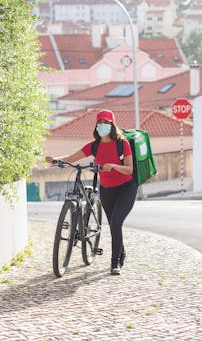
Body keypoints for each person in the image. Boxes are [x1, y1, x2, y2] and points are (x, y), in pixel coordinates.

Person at [45, 110, 138, 275]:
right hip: (107, 190)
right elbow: (73, 158)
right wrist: (56, 160)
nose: (103, 125)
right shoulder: (94, 145)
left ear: (112, 125)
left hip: (126, 188)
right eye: (100, 123)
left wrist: (113, 166)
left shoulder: (122, 144)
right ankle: (121, 252)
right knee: (113, 226)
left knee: (116, 223)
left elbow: (129, 170)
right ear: (97, 126)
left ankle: (115, 263)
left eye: (106, 123)